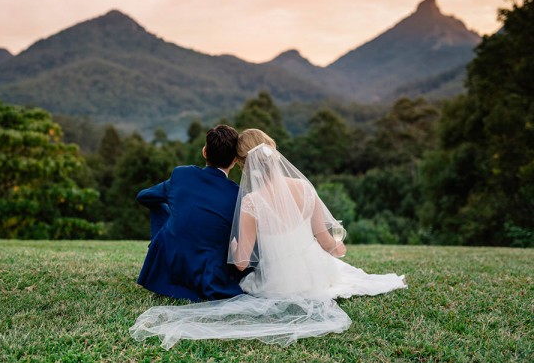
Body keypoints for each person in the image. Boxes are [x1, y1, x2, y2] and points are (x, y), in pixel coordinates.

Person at [131, 129, 406, 349]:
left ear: (242, 163)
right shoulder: (303, 188)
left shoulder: (250, 202)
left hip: (276, 280)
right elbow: (329, 244)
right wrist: (337, 246)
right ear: (273, 152)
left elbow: (241, 264)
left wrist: (236, 244)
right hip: (317, 273)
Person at [136, 124, 246, 301]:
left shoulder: (181, 175)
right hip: (208, 278)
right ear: (234, 160)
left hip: (171, 266)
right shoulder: (238, 195)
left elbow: (143, 196)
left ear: (204, 152)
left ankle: (161, 260)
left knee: (157, 204)